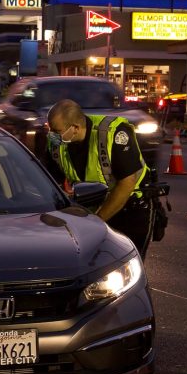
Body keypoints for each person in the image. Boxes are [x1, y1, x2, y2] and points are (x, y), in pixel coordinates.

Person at [44, 99, 156, 258]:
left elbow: (127, 183)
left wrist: (97, 221)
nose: (52, 135)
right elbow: (49, 181)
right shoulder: (57, 143)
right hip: (90, 210)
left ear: (75, 128)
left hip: (130, 208)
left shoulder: (113, 133)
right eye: (50, 129)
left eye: (56, 131)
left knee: (127, 262)